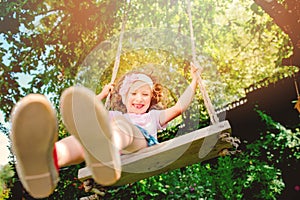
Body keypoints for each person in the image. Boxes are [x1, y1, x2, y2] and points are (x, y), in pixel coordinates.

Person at [10, 63, 200, 198]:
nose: (139, 98)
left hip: (140, 142)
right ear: (125, 98)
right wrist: (102, 94)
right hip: (111, 143)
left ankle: (106, 150)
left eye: (145, 94)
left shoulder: (152, 117)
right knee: (85, 135)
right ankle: (50, 158)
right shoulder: (116, 115)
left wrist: (194, 81)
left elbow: (179, 108)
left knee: (119, 126)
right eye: (134, 93)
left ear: (151, 98)